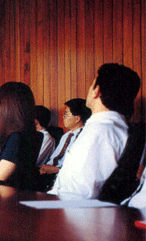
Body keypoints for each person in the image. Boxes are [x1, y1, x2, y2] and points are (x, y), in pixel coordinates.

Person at [49, 63, 141, 199]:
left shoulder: (100, 133)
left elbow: (78, 194)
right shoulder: (111, 129)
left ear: (96, 91)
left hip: (67, 212)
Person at [36, 98, 91, 191]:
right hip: (50, 175)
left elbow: (79, 167)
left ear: (77, 118)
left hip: (66, 178)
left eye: (66, 114)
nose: (63, 117)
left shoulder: (84, 136)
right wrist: (45, 168)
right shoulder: (66, 136)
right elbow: (54, 158)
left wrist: (55, 169)